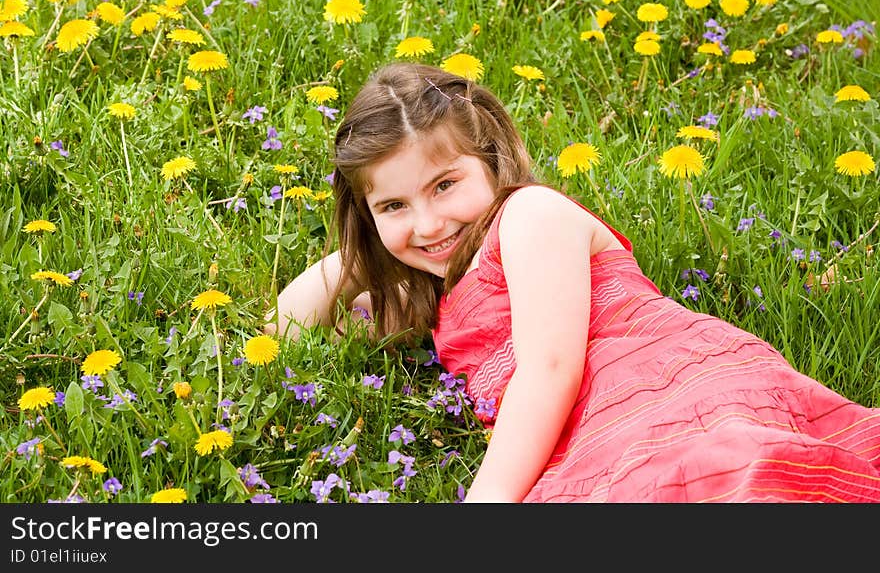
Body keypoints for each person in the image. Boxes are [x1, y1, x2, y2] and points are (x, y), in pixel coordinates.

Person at [265, 62, 880, 502]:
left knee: (731, 476)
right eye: (394, 205)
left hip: (674, 397)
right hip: (595, 443)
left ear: (492, 159)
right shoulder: (434, 298)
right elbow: (287, 330)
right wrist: (360, 253)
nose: (428, 223)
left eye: (445, 184)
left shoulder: (529, 215)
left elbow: (550, 368)